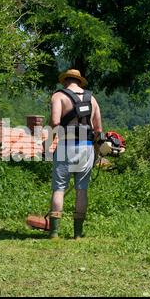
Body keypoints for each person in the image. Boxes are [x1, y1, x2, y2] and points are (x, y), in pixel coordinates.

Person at [47, 69, 103, 239]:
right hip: (86, 146)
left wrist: (48, 142)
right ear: (80, 82)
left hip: (65, 145)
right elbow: (98, 129)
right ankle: (77, 233)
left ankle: (54, 233)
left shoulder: (59, 96)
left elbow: (56, 122)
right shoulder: (92, 98)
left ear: (65, 81)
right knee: (81, 190)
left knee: (59, 188)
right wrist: (95, 150)